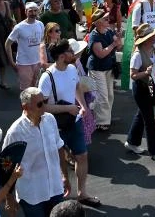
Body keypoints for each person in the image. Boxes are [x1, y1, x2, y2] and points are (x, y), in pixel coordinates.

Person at [39, 40, 99, 207]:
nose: (74, 53)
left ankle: (82, 193)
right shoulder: (47, 77)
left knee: (82, 155)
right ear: (62, 56)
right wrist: (67, 108)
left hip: (74, 121)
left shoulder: (72, 69)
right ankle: (62, 189)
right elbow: (41, 107)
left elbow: (77, 87)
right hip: (54, 125)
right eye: (70, 51)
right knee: (58, 159)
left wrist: (83, 106)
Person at [3, 87, 76, 217]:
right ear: (25, 107)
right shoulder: (15, 132)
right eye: (39, 104)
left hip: (55, 189)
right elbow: (5, 167)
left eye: (44, 102)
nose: (44, 107)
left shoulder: (50, 120)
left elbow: (59, 148)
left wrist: (65, 176)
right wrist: (9, 197)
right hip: (32, 195)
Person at [124, 23, 155, 163]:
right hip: (141, 89)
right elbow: (133, 75)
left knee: (142, 114)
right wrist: (146, 72)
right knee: (149, 120)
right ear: (145, 39)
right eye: (151, 36)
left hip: (150, 86)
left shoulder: (153, 47)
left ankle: (132, 142)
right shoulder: (137, 55)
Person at [86, 9, 121, 130]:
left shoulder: (108, 32)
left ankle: (106, 117)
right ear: (97, 22)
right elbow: (100, 54)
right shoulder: (94, 36)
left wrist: (119, 41)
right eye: (105, 19)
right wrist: (113, 45)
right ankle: (102, 121)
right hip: (97, 68)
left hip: (108, 67)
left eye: (108, 18)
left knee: (110, 95)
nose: (108, 20)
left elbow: (118, 44)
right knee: (102, 95)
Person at [6, 1, 45, 92]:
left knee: (37, 89)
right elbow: (8, 44)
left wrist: (43, 59)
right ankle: (25, 107)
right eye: (30, 11)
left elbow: (42, 42)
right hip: (23, 63)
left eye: (35, 11)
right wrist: (12, 62)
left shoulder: (40, 24)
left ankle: (34, 107)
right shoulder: (19, 27)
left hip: (37, 63)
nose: (33, 13)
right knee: (26, 92)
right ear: (25, 12)